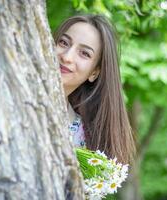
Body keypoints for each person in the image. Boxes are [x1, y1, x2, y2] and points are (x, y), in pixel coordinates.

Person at [53, 14, 136, 164]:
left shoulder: (83, 141)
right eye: (64, 43)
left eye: (84, 53)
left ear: (94, 73)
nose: (67, 57)